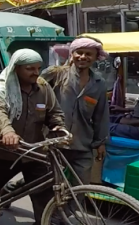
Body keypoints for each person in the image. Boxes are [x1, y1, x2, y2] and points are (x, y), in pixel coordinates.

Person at [0, 49, 66, 225]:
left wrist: (58, 126)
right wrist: (7, 132)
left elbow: (54, 112)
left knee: (43, 191)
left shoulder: (43, 88)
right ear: (16, 69)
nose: (36, 73)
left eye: (38, 68)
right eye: (30, 69)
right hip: (5, 151)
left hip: (33, 150)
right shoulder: (0, 88)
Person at [42, 37, 111, 184]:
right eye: (79, 52)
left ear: (95, 58)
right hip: (55, 140)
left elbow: (101, 115)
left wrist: (101, 143)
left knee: (80, 186)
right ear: (72, 54)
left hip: (82, 144)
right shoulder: (57, 74)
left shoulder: (99, 84)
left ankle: (73, 208)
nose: (83, 57)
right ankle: (12, 189)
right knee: (47, 183)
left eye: (88, 54)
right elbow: (34, 88)